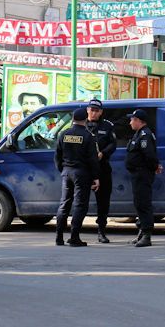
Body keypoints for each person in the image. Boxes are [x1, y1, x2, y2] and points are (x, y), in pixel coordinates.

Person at [54, 108, 100, 247]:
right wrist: (96, 177)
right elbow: (93, 159)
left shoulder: (63, 134)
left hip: (67, 172)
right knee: (80, 205)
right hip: (81, 174)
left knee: (64, 204)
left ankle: (59, 237)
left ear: (73, 119)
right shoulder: (87, 136)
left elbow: (57, 156)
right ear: (85, 120)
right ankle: (74, 237)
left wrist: (63, 170)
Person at [125, 109, 162, 248]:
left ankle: (147, 235)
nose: (130, 122)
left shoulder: (145, 135)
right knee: (139, 203)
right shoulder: (138, 134)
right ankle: (141, 231)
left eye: (132, 120)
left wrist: (155, 167)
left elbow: (150, 155)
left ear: (139, 121)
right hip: (137, 174)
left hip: (142, 174)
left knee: (143, 203)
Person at [86, 99, 117, 243]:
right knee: (80, 200)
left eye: (96, 110)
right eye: (91, 110)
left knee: (103, 202)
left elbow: (113, 144)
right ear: (87, 110)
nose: (93, 113)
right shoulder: (81, 124)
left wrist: (103, 153)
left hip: (102, 167)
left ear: (101, 112)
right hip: (84, 169)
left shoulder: (107, 126)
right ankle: (74, 232)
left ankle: (101, 231)